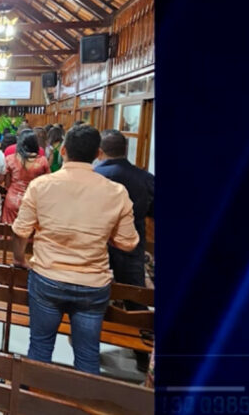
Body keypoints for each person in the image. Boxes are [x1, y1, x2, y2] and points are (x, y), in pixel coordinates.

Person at [10, 125, 139, 374]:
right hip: (93, 282)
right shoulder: (116, 192)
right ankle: (82, 405)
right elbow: (128, 242)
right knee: (88, 353)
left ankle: (31, 402)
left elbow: (21, 231)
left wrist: (20, 259)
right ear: (98, 153)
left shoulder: (41, 186)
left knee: (39, 346)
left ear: (65, 150)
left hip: (47, 277)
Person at [94, 129, 155, 372]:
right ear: (126, 150)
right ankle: (142, 351)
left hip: (100, 243)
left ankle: (89, 345)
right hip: (133, 244)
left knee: (97, 296)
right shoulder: (145, 177)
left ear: (100, 151)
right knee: (135, 296)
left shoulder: (95, 175)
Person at [2, 130, 50, 224]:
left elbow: (7, 183)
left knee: (8, 231)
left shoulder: (10, 159)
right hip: (33, 200)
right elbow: (47, 184)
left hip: (13, 199)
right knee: (29, 230)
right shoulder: (42, 161)